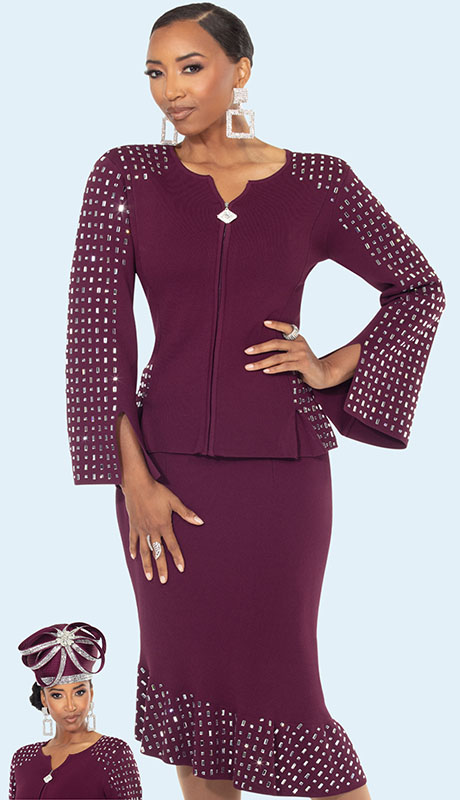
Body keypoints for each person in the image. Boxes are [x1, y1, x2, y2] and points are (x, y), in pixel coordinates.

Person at [64, 4, 446, 799]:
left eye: (191, 67)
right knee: (191, 693)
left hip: (282, 477)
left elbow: (418, 288)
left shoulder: (320, 182)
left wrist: (333, 364)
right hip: (163, 476)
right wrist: (134, 481)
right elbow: (98, 334)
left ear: (240, 69)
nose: (171, 89)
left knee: (288, 688)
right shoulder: (125, 176)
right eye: (155, 72)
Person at [9, 622, 142, 799]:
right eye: (57, 695)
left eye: (79, 692)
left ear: (91, 693)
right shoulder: (23, 759)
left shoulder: (112, 754)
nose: (70, 706)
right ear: (44, 698)